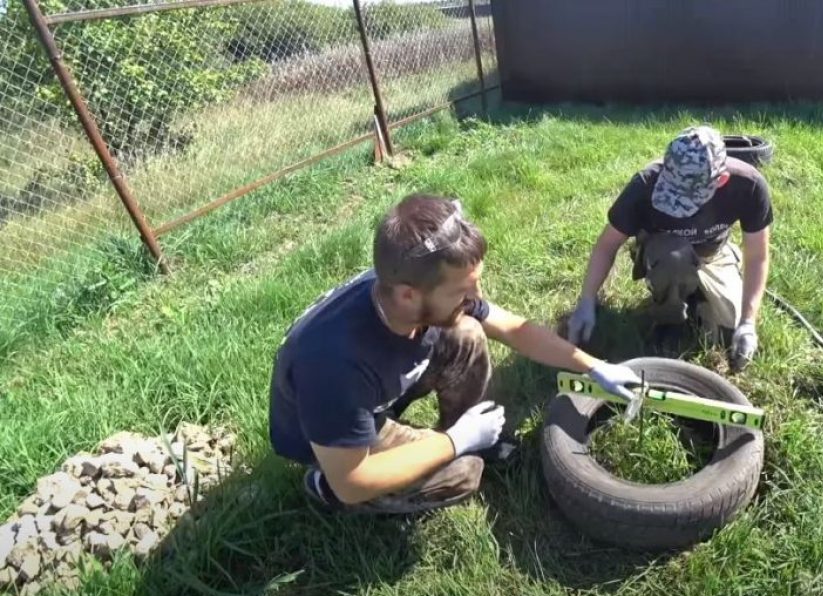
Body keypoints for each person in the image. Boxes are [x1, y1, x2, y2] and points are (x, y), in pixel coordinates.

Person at [268, 194, 642, 514]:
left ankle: (468, 436)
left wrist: (593, 366)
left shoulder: (416, 286)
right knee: (462, 474)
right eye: (464, 290)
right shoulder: (334, 362)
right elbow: (353, 480)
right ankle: (322, 486)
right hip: (337, 442)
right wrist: (455, 443)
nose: (476, 298)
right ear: (407, 295)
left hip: (377, 389)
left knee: (467, 331)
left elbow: (512, 328)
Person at [566, 126, 773, 371]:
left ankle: (696, 297)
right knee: (674, 260)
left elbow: (758, 256)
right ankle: (669, 318)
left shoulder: (748, 186)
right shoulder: (645, 184)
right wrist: (587, 302)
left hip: (712, 253)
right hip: (664, 251)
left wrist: (748, 323)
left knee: (730, 329)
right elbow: (607, 245)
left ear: (721, 180)